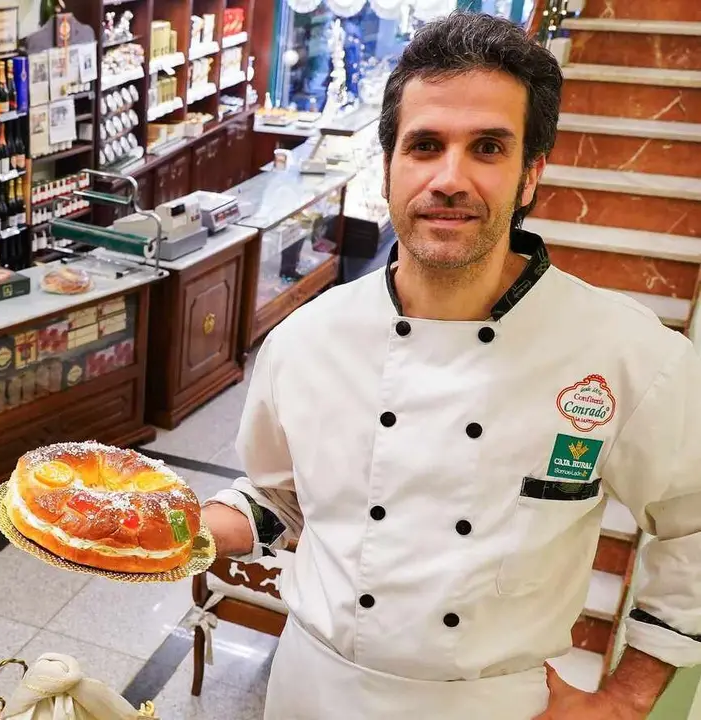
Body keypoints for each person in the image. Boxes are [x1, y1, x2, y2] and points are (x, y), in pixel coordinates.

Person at [201, 12, 701, 720]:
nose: (448, 178)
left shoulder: (625, 354)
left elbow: (691, 523)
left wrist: (627, 696)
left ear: (531, 174)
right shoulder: (306, 340)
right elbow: (278, 497)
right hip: (310, 687)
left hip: (492, 705)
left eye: (488, 148)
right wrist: (173, 529)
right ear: (387, 166)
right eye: (425, 145)